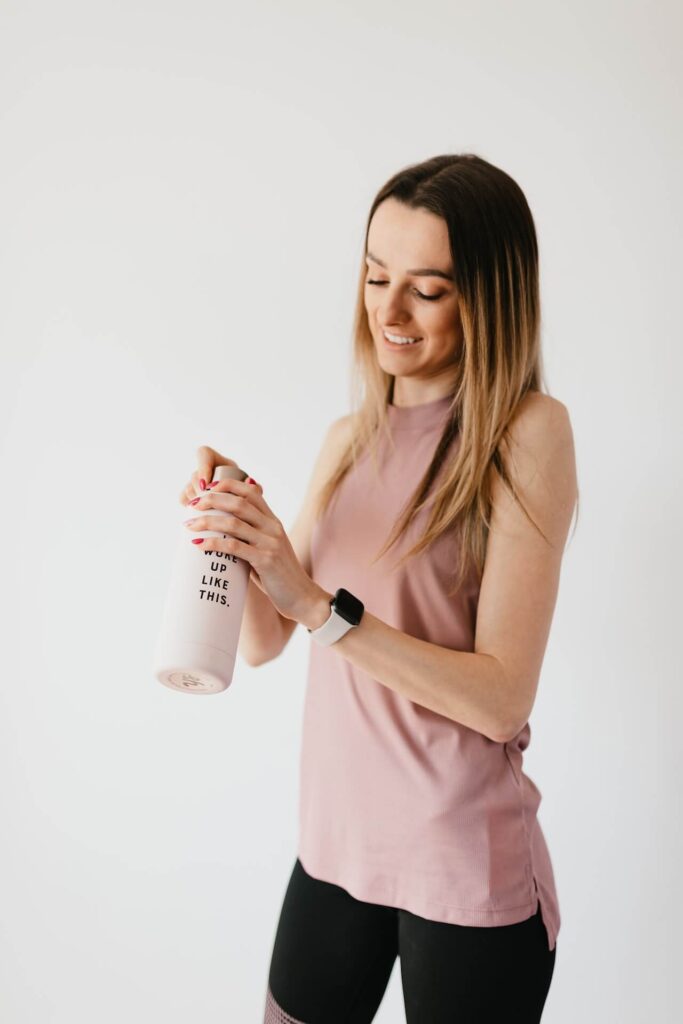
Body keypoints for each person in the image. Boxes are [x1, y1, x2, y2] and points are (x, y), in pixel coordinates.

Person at [180, 153, 579, 1023]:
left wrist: (319, 606)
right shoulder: (345, 439)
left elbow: (501, 698)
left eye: (426, 290)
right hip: (333, 848)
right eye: (373, 275)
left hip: (460, 860)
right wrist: (245, 539)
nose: (387, 312)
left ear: (489, 295)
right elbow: (263, 640)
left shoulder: (526, 434)